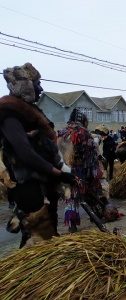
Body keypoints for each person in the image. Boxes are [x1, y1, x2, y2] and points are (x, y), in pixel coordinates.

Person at [0, 63, 76, 247]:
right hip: (30, 188)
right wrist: (58, 173)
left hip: (44, 184)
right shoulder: (9, 115)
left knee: (49, 236)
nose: (41, 88)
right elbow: (24, 153)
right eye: (37, 83)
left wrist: (61, 172)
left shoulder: (29, 113)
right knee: (38, 239)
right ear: (25, 85)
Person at [57, 108, 106, 233]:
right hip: (82, 169)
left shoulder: (63, 132)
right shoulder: (82, 132)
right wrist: (93, 171)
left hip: (67, 170)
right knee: (91, 191)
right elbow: (90, 154)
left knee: (71, 196)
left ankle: (72, 224)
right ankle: (96, 216)